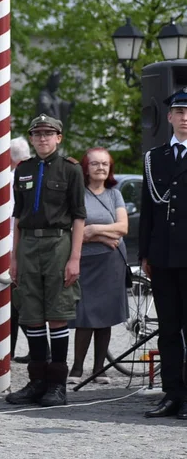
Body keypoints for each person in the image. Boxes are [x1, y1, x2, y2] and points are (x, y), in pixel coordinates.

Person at [6, 114, 86, 408]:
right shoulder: (23, 169)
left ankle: (57, 384)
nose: (42, 138)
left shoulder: (70, 170)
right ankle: (37, 380)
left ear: (59, 138)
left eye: (48, 133)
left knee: (58, 312)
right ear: (31, 138)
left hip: (58, 243)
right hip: (28, 243)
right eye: (37, 133)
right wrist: (14, 257)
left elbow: (79, 216)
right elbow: (17, 217)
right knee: (31, 312)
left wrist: (74, 257)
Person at [139, 87, 187, 419]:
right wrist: (144, 254)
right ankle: (172, 393)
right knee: (168, 328)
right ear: (169, 117)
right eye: (180, 112)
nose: (185, 118)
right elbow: (148, 210)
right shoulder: (155, 157)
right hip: (163, 256)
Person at [70, 147, 128, 386]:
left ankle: (99, 369)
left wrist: (94, 230)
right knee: (84, 315)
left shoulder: (115, 195)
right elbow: (73, 231)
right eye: (95, 164)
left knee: (105, 317)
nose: (101, 168)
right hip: (84, 261)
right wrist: (102, 236)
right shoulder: (77, 194)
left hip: (111, 263)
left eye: (105, 164)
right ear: (86, 167)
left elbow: (123, 228)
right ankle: (76, 368)